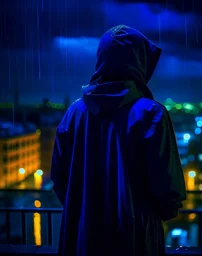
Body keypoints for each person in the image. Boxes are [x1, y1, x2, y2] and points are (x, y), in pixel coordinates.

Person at [51, 25, 186, 256]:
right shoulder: (152, 115)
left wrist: (83, 208)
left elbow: (59, 177)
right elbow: (168, 191)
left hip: (82, 237)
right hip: (134, 239)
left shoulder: (74, 113)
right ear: (139, 62)